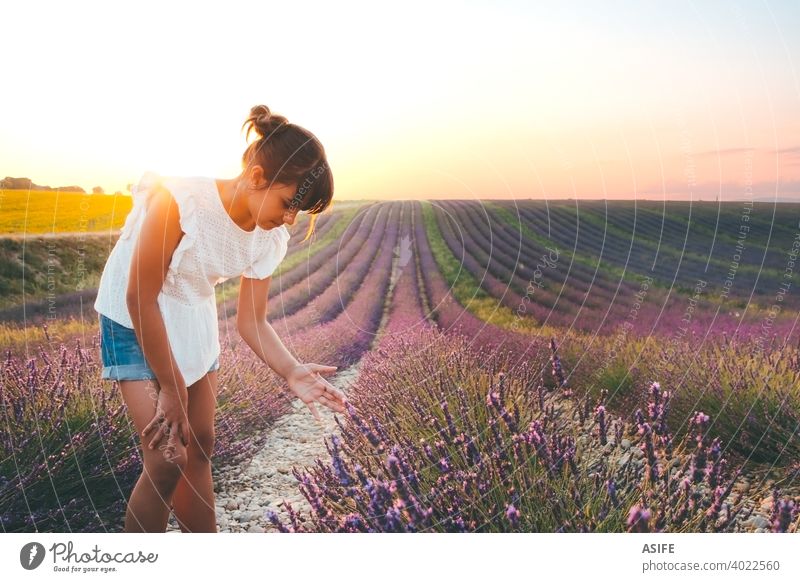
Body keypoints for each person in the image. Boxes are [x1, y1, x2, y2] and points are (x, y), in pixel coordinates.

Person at [93, 104, 347, 533]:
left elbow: (253, 320)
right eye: (288, 203)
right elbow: (141, 296)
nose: (288, 219)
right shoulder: (182, 201)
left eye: (297, 213)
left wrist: (292, 370)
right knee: (166, 456)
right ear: (257, 178)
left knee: (200, 446)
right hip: (133, 315)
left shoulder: (270, 237)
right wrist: (170, 388)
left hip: (192, 313)